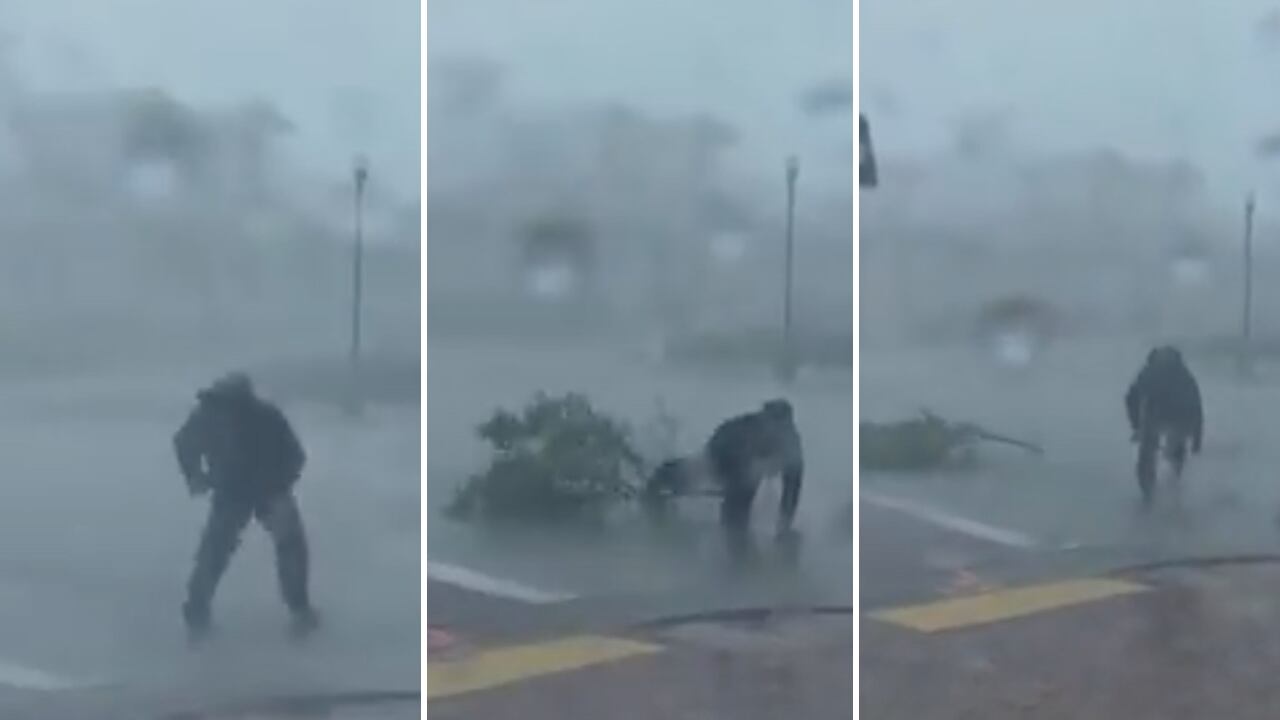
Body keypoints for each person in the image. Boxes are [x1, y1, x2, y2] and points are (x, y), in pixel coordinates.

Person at [173, 372, 318, 642]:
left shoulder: (215, 415)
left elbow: (295, 456)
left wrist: (196, 476)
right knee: (284, 548)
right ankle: (299, 611)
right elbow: (296, 455)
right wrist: (195, 474)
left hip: (255, 492)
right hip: (252, 492)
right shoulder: (226, 415)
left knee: (217, 553)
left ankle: (197, 612)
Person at [645, 399, 804, 564]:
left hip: (745, 467)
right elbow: (736, 486)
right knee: (701, 477)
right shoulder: (747, 430)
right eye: (768, 422)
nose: (770, 429)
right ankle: (658, 484)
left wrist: (783, 527)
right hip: (721, 451)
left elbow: (791, 491)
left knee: (742, 496)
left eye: (777, 425)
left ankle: (739, 557)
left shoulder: (792, 445)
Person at [1124, 345, 1204, 509]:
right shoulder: (1185, 376)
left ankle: (1148, 494)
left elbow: (1132, 397)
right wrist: (1197, 440)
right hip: (1180, 418)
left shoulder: (1149, 372)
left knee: (1147, 453)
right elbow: (1197, 408)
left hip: (1157, 416)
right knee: (1177, 448)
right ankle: (1174, 481)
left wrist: (1136, 425)